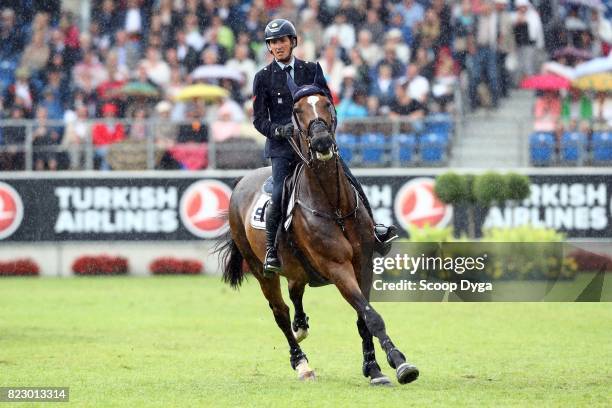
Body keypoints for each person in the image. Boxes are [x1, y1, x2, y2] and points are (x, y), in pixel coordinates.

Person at [253, 19, 398, 277]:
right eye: (273, 42)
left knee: (348, 178)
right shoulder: (263, 78)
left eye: (282, 41)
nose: (278, 46)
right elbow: (259, 119)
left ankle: (374, 230)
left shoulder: (312, 69)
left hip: (316, 143)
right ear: (269, 47)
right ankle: (272, 250)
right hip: (284, 148)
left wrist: (324, 134)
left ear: (293, 42)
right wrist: (279, 130)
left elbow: (329, 106)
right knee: (277, 191)